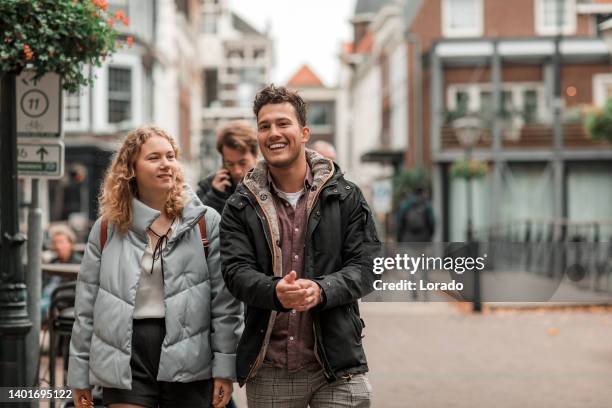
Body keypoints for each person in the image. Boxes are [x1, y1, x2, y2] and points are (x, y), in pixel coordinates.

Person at [220, 85, 381, 407]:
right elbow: (235, 272)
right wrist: (273, 291)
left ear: (304, 132)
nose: (273, 133)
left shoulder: (345, 196)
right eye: (264, 126)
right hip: (272, 370)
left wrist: (322, 290)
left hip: (337, 366)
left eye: (283, 123)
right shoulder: (240, 205)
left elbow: (367, 267)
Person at [67, 126, 242, 408]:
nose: (166, 164)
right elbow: (86, 307)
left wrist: (225, 368)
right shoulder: (106, 228)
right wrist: (79, 375)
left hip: (191, 350)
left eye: (171, 156)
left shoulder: (205, 222)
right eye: (154, 157)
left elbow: (225, 304)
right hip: (124, 354)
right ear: (131, 168)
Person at [197, 120, 258, 214]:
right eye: (230, 164)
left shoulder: (270, 184)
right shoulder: (208, 187)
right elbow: (197, 224)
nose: (237, 171)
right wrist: (215, 196)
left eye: (242, 163)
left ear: (255, 156)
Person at [41, 225, 82, 319]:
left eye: (61, 242)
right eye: (55, 243)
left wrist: (57, 304)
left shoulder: (78, 263)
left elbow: (74, 291)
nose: (58, 246)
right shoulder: (52, 262)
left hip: (56, 301)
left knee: (35, 308)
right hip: (44, 297)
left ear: (71, 243)